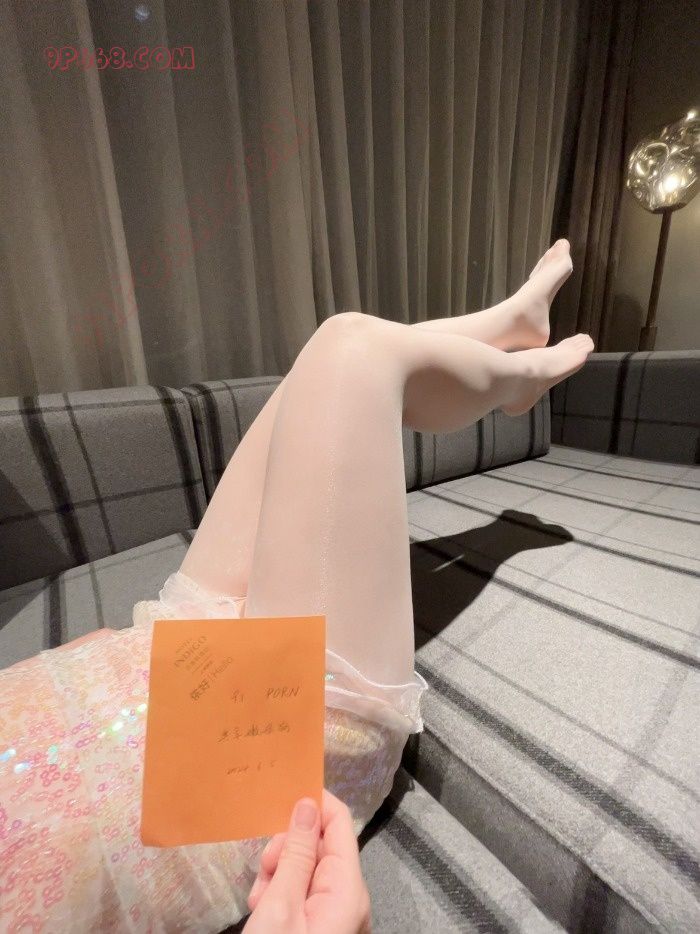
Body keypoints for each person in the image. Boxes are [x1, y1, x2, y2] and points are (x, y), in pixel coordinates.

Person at [0, 239, 591, 932]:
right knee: (351, 349)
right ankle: (516, 369)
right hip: (261, 765)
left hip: (161, 654)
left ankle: (509, 331)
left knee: (319, 368)